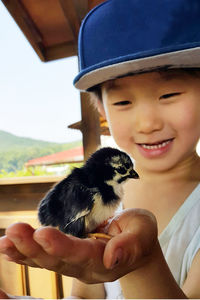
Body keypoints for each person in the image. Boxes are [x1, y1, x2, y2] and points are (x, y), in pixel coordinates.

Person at [1, 0, 200, 298]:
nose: (147, 123)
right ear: (101, 108)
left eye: (168, 94)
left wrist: (140, 264)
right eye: (123, 102)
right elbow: (84, 295)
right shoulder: (94, 192)